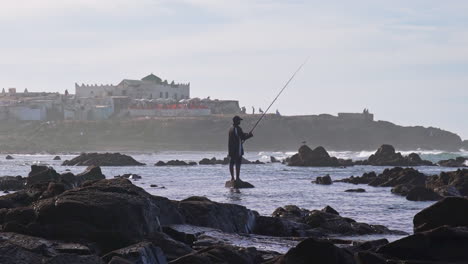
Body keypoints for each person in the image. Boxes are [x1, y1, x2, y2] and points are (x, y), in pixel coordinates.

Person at [228, 116, 253, 181]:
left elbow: (239, 135)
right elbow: (242, 137)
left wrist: (246, 134)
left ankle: (232, 178)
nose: (240, 122)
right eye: (239, 120)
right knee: (237, 163)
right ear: (236, 121)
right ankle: (237, 178)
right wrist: (249, 135)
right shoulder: (237, 128)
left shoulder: (231, 128)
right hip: (237, 149)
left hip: (231, 149)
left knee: (231, 163)